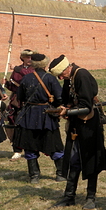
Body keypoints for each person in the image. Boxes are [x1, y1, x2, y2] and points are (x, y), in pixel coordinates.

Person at [48, 55, 106, 210]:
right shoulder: (68, 79)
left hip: (89, 125)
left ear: (66, 68)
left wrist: (67, 112)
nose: (60, 78)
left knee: (91, 161)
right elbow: (66, 100)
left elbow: (86, 106)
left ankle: (91, 197)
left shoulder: (81, 75)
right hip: (76, 124)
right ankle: (69, 196)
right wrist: (63, 108)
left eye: (61, 74)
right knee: (72, 160)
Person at [13, 53, 66, 183]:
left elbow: (20, 97)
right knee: (54, 145)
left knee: (30, 147)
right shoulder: (50, 78)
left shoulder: (26, 79)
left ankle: (34, 176)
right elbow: (59, 97)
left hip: (29, 115)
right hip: (46, 114)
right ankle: (61, 174)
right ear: (45, 64)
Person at [4, 49, 34, 161]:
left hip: (29, 101)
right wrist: (6, 84)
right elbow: (13, 86)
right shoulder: (17, 70)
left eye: (31, 57)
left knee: (28, 126)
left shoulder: (34, 69)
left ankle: (29, 148)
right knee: (15, 124)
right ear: (23, 58)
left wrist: (17, 69)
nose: (29, 59)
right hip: (17, 102)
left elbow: (28, 77)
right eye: (27, 57)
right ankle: (17, 150)